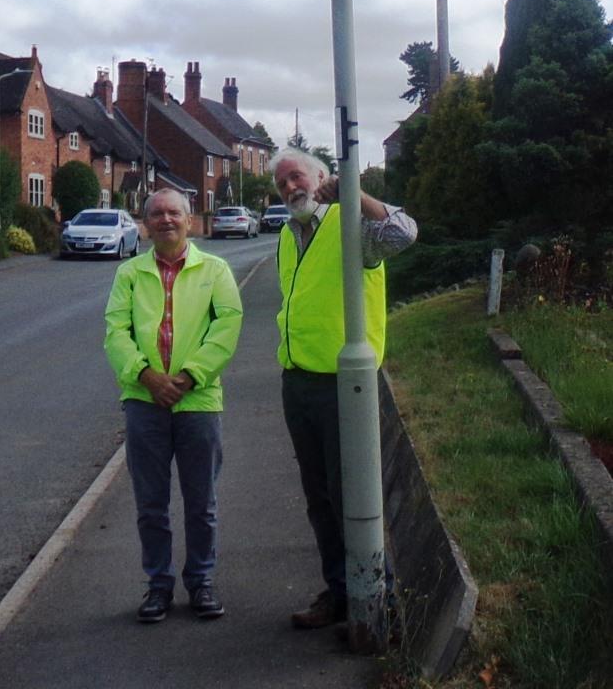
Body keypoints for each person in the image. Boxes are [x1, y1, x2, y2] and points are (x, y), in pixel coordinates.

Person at [270, 147, 417, 630]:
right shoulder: (289, 235)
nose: (292, 187)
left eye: (298, 177)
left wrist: (355, 195)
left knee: (351, 495)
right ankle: (339, 592)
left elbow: (404, 232)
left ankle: (381, 602)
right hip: (300, 384)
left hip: (344, 386)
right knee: (318, 498)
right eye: (282, 183)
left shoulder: (352, 226)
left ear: (321, 179)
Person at [104, 189, 242, 624]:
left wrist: (187, 378)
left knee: (201, 501)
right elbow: (115, 332)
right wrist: (146, 376)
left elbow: (228, 325)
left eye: (174, 212)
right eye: (157, 213)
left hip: (198, 400)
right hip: (144, 402)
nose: (166, 219)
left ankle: (201, 582)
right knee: (151, 503)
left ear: (189, 219)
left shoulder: (215, 270)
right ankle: (158, 586)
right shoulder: (129, 273)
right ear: (145, 223)